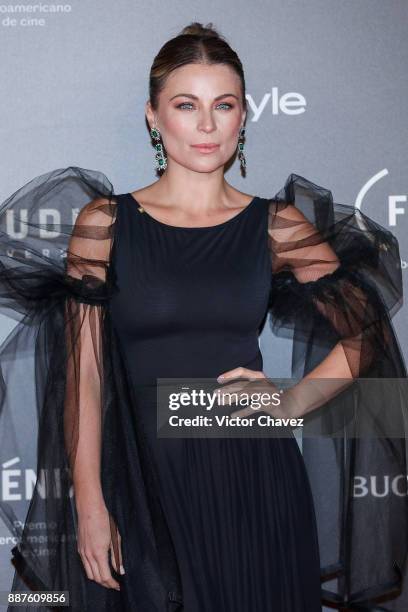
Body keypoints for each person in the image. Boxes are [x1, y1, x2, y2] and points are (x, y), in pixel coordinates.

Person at [0, 21, 407, 612]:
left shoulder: (277, 225)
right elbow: (83, 375)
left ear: (244, 117)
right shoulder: (105, 224)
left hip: (253, 475)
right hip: (142, 478)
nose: (208, 124)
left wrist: (290, 402)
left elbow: (367, 337)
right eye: (187, 105)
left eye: (225, 105)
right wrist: (88, 499)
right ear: (153, 116)